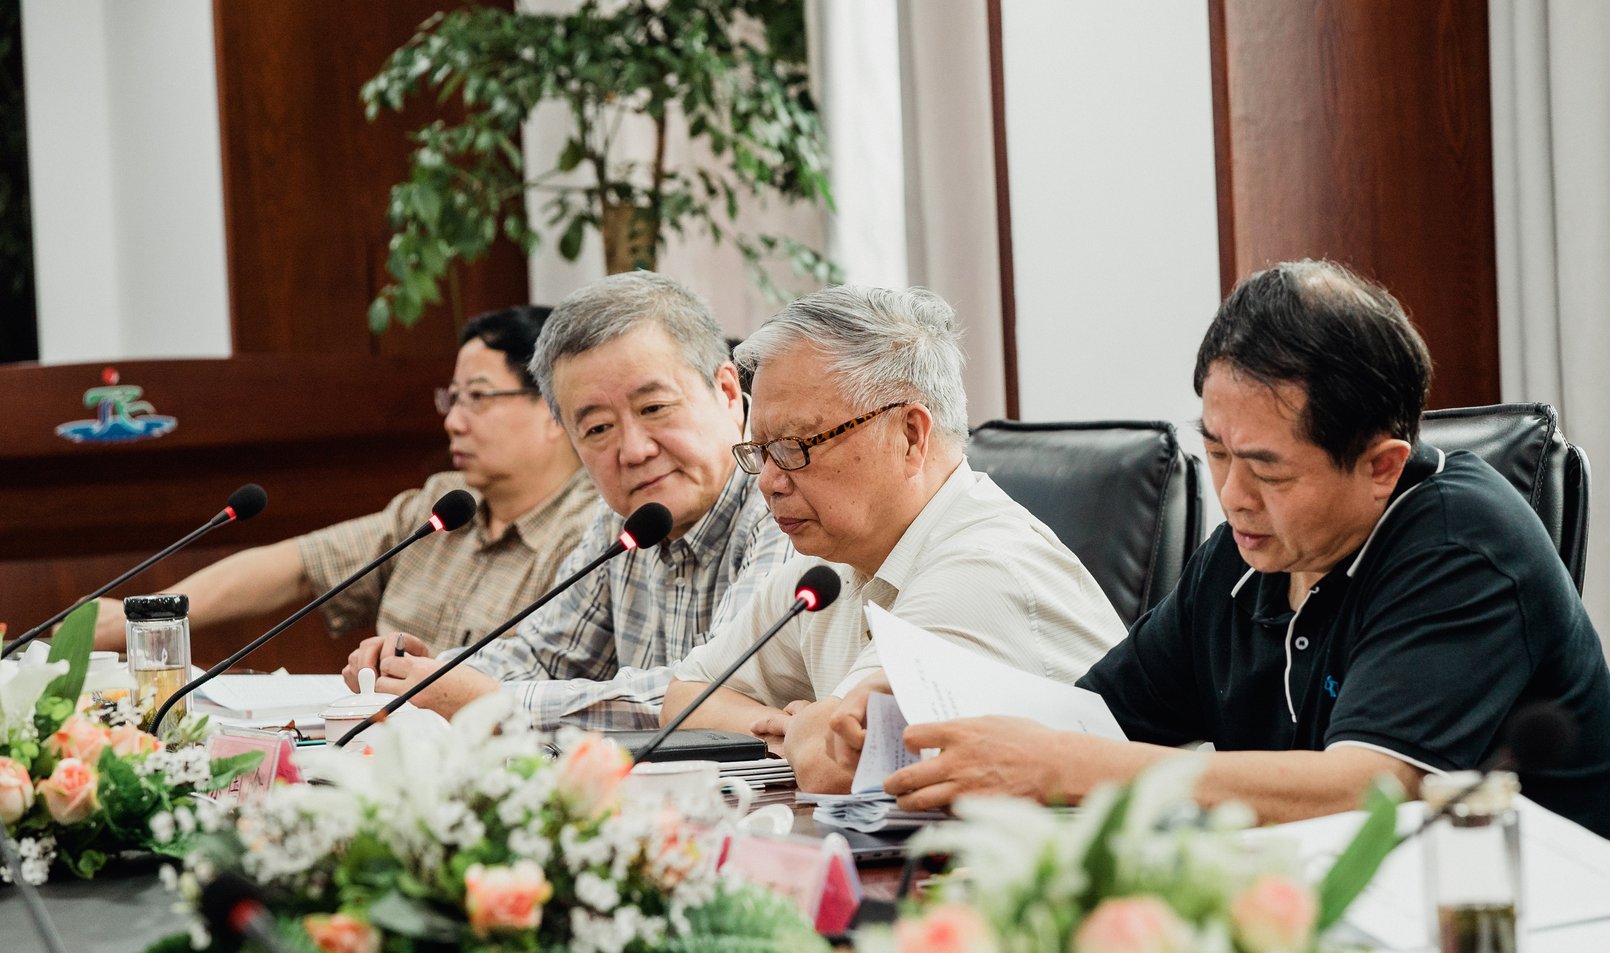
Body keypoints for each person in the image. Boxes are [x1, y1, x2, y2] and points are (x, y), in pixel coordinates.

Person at [870, 260, 1610, 854]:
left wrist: (1061, 765)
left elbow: (1366, 788)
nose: (1233, 495)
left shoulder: (1464, 544)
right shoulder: (1243, 556)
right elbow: (1098, 718)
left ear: (1381, 466)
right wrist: (910, 731)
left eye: (1268, 470)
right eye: (1215, 451)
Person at [660, 286, 1121, 791]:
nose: (769, 481)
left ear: (910, 436)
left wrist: (809, 736)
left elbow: (833, 768)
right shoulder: (829, 572)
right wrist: (794, 730)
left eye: (795, 445)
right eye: (762, 451)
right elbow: (685, 700)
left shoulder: (986, 568)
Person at [344, 272, 792, 729]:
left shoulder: (783, 501)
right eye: (598, 428)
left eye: (654, 408)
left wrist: (492, 702)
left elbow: (713, 694)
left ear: (727, 392)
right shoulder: (625, 519)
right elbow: (545, 655)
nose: (634, 451)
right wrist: (433, 673)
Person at [90, 307, 599, 656]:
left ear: (554, 409)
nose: (453, 421)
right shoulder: (443, 503)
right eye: (453, 398)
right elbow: (299, 565)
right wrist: (147, 616)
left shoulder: (589, 535)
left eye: (478, 398)